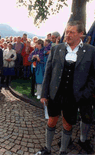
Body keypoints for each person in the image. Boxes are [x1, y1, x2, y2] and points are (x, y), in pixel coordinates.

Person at [38, 21, 95, 155]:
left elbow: (93, 76)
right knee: (51, 121)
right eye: (67, 31)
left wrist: (85, 93)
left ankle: (63, 151)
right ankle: (47, 149)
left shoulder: (91, 51)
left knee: (67, 124)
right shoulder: (56, 48)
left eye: (72, 32)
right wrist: (44, 94)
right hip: (55, 93)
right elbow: (49, 72)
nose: (67, 35)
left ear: (81, 34)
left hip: (73, 96)